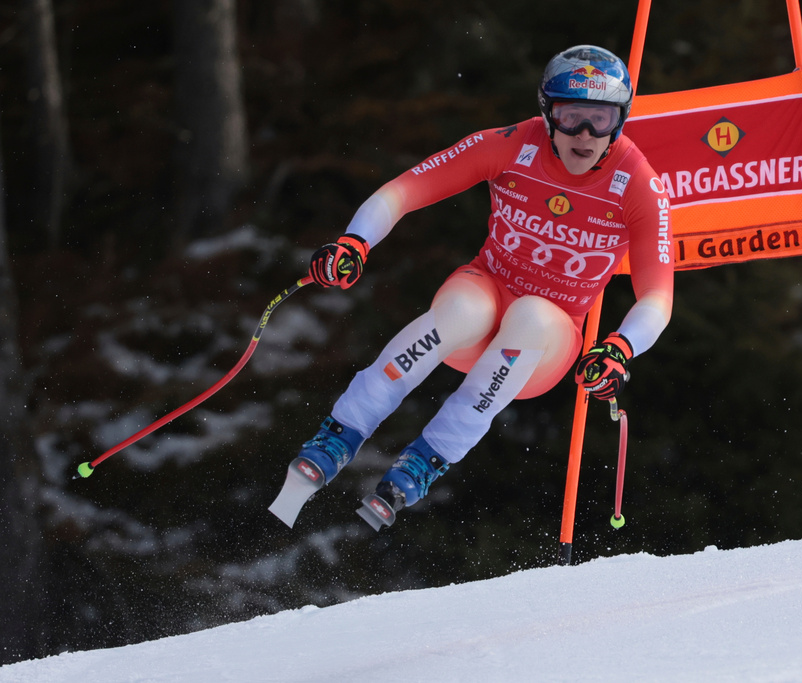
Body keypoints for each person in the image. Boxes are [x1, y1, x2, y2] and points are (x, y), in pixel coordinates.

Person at [278, 45, 674, 531]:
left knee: (530, 314)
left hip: (544, 342)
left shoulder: (638, 184)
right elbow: (404, 190)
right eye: (571, 117)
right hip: (483, 295)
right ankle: (340, 433)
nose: (586, 135)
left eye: (602, 118)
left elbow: (658, 295)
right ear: (547, 113)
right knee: (462, 311)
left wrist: (619, 348)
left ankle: (427, 458)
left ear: (621, 119)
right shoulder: (511, 144)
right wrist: (354, 241)